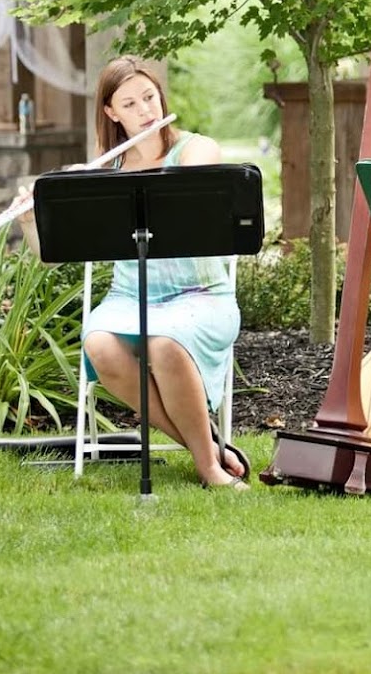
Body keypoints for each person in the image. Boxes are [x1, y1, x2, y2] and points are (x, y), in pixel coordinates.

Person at [20, 55, 248, 490]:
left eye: (150, 97)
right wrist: (35, 217)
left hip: (199, 294)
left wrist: (114, 179)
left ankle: (209, 467)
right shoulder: (107, 171)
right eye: (131, 104)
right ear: (111, 113)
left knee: (164, 343)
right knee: (100, 346)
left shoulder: (197, 149)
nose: (146, 110)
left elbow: (183, 194)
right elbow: (55, 255)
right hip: (130, 298)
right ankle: (210, 445)